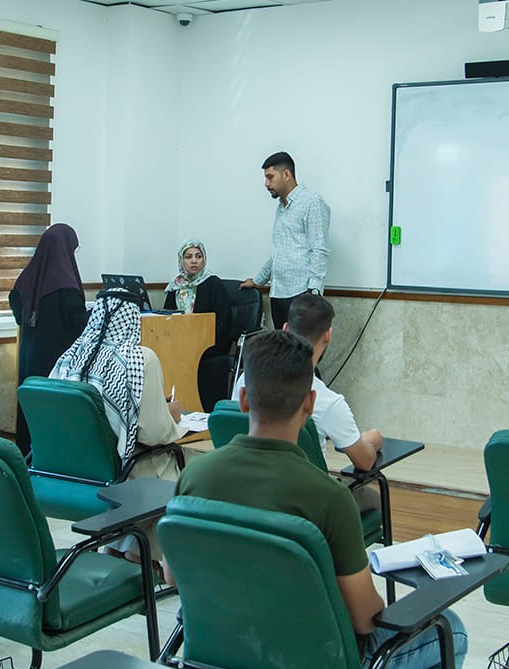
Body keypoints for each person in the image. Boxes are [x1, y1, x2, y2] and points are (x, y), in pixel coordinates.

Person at [174, 331, 465, 669]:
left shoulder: (196, 480)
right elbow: (364, 618)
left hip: (221, 664)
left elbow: (174, 577)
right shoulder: (327, 497)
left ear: (242, 399)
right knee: (450, 632)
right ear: (310, 405)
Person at [233, 294, 382, 515]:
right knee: (374, 499)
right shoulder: (327, 401)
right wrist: (371, 439)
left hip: (246, 492)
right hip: (306, 503)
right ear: (328, 335)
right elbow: (365, 461)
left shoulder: (246, 381)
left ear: (285, 328)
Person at [50, 288, 181, 466]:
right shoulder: (141, 359)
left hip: (67, 464)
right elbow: (153, 435)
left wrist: (153, 403)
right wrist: (170, 414)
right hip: (126, 470)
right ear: (134, 319)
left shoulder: (68, 358)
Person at [9, 223, 86, 453]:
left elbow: (18, 310)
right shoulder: (66, 285)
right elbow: (78, 323)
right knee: (53, 415)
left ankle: (26, 457)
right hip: (57, 364)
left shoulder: (27, 278)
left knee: (31, 406)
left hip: (29, 357)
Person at [241, 152, 329, 330]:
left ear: (286, 174)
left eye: (270, 177)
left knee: (302, 346)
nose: (266, 184)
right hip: (278, 293)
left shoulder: (312, 202)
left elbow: (319, 250)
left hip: (302, 295)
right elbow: (279, 253)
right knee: (282, 346)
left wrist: (313, 293)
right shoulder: (281, 207)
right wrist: (258, 281)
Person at [161, 239, 236, 406]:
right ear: (181, 261)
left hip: (209, 348)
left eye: (198, 256)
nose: (194, 261)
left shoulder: (214, 284)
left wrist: (200, 345)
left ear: (204, 259)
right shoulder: (176, 286)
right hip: (179, 346)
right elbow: (166, 319)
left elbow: (224, 322)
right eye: (188, 257)